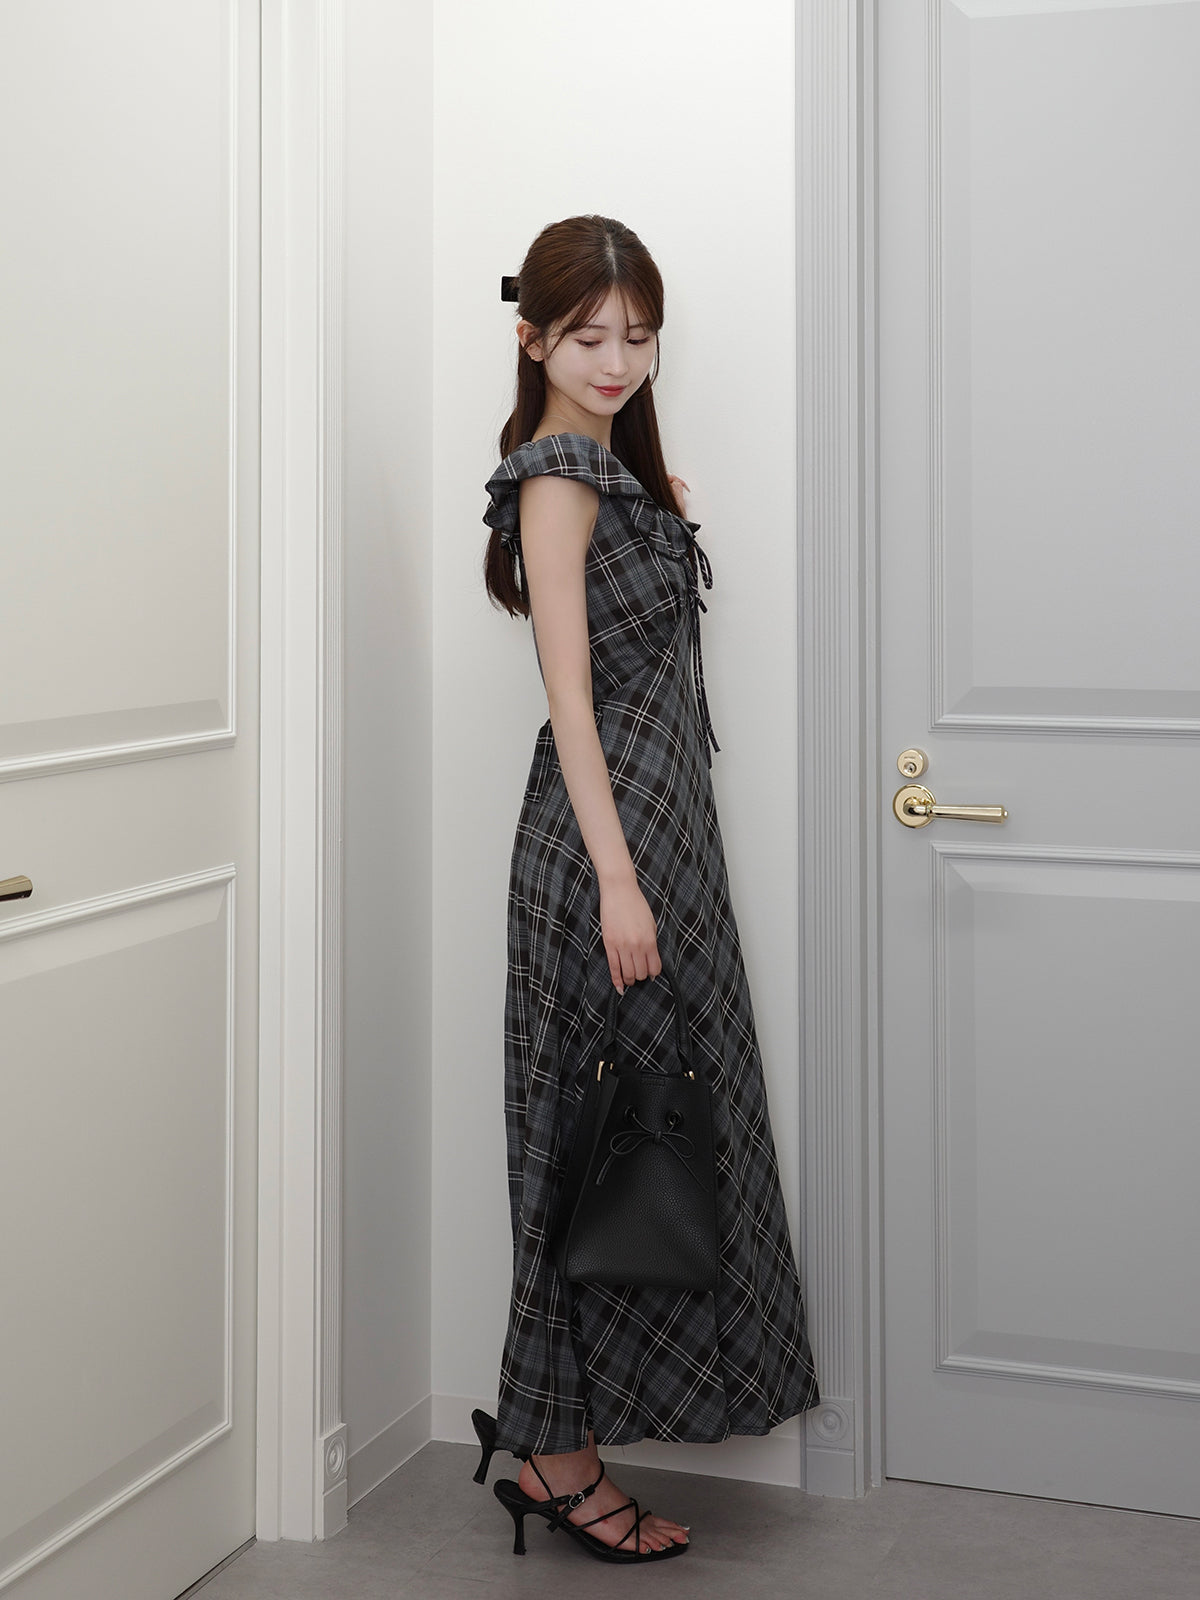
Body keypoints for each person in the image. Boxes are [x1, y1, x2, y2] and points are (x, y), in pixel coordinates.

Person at [475, 214, 821, 1564]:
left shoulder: (615, 474)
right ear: (533, 341)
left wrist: (662, 520)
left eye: (637, 335)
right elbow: (570, 698)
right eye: (587, 337)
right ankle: (558, 1460)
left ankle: (563, 1447)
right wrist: (620, 882)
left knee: (653, 1133)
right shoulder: (558, 477)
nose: (616, 361)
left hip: (663, 842)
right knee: (591, 1148)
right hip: (603, 853)